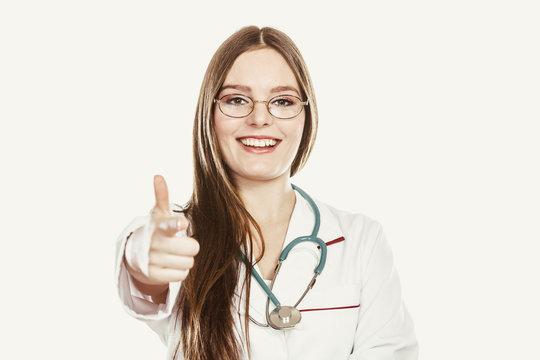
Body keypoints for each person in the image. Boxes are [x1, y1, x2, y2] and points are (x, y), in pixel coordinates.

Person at [115, 26, 418, 360]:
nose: (259, 118)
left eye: (282, 101)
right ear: (209, 114)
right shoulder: (180, 237)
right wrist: (145, 258)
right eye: (237, 100)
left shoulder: (362, 241)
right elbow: (144, 272)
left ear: (307, 114)